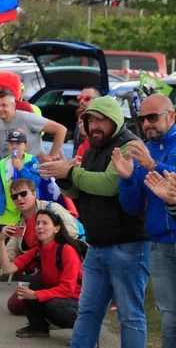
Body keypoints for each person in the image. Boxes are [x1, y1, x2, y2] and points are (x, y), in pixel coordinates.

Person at [37, 96, 148, 348]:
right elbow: (78, 191)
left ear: (115, 120)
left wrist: (70, 172)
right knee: (87, 312)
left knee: (130, 316)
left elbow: (110, 185)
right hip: (96, 246)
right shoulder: (92, 149)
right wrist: (64, 176)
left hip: (127, 246)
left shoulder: (130, 145)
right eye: (90, 120)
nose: (94, 126)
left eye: (101, 121)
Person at [117, 94, 176, 346]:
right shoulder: (143, 150)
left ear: (171, 116)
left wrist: (154, 165)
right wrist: (128, 178)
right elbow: (131, 208)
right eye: (143, 119)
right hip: (160, 245)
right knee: (169, 316)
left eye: (153, 117)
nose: (147, 124)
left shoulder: (151, 156)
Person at [0, 178, 79, 313]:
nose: (19, 199)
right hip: (46, 272)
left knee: (52, 304)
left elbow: (73, 231)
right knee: (15, 306)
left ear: (34, 193)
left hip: (66, 267)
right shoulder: (20, 226)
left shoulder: (51, 209)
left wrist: (44, 241)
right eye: (14, 196)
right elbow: (9, 255)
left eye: (23, 194)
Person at [0, 128, 43, 291]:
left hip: (28, 212)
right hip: (7, 213)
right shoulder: (2, 163)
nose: (14, 146)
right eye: (12, 143)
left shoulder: (32, 161)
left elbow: (35, 182)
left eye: (18, 143)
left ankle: (30, 277)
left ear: (26, 145)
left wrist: (20, 167)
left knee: (31, 244)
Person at [0, 208, 83, 338]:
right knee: (31, 283)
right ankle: (38, 327)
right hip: (61, 296)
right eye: (37, 223)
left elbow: (68, 289)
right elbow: (7, 269)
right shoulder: (39, 250)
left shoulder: (67, 250)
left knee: (53, 304)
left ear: (56, 229)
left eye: (45, 223)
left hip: (79, 300)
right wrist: (2, 241)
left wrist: (36, 295)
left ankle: (87, 332)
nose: (40, 227)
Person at [0, 89, 67, 162]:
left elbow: (61, 129)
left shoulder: (26, 118)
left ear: (13, 106)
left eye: (4, 105)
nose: (0, 109)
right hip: (10, 178)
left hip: (34, 175)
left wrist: (51, 156)